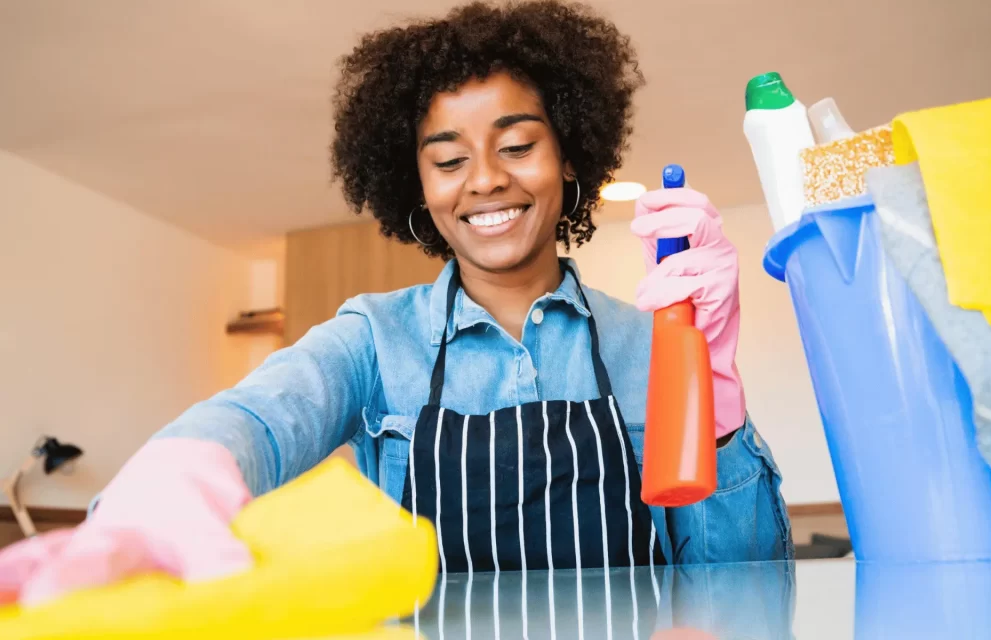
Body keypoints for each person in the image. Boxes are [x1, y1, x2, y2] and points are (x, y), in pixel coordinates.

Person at [0, 0, 792, 607]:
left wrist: (714, 395)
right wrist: (169, 486)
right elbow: (262, 414)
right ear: (416, 185)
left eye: (517, 146)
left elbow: (748, 593)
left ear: (569, 156)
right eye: (449, 159)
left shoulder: (651, 344)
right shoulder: (375, 340)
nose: (485, 179)